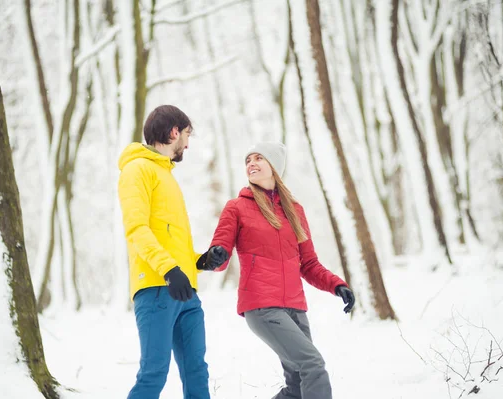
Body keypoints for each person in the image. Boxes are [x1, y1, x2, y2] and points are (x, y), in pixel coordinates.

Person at [205, 141, 355, 399]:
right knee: (313, 366)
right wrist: (215, 256)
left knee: (297, 387)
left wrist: (336, 285)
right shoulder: (237, 207)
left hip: (295, 308)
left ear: (274, 166)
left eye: (258, 158)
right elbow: (220, 251)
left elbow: (308, 263)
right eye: (248, 160)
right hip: (262, 306)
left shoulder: (294, 211)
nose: (251, 163)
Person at [117, 105, 227, 399]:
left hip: (185, 290)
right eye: (187, 135)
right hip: (156, 288)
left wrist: (200, 261)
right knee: (154, 373)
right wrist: (168, 270)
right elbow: (137, 228)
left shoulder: (167, 176)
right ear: (174, 132)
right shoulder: (137, 170)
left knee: (196, 371)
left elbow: (170, 241)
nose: (188, 144)